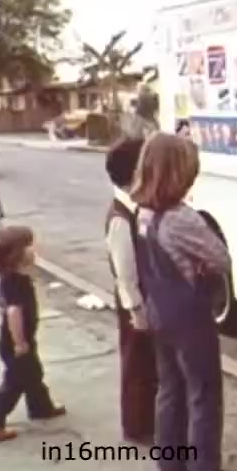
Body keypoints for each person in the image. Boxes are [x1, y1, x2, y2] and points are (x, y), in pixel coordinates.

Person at [131, 133, 231, 471]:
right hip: (191, 319)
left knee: (170, 390)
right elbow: (221, 258)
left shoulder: (141, 213)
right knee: (204, 396)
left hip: (161, 312)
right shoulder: (182, 218)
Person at [0, 226, 66, 442]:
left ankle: (40, 406)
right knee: (15, 381)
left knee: (33, 373)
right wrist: (20, 342)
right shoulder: (15, 281)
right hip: (16, 341)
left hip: (20, 339)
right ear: (17, 254)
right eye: (30, 246)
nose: (35, 249)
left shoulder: (13, 277)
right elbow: (13, 312)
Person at [104, 136, 158, 444]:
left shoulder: (133, 209)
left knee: (146, 362)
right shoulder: (120, 219)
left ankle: (144, 419)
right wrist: (136, 310)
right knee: (136, 363)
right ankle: (137, 427)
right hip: (134, 302)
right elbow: (125, 272)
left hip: (142, 297)